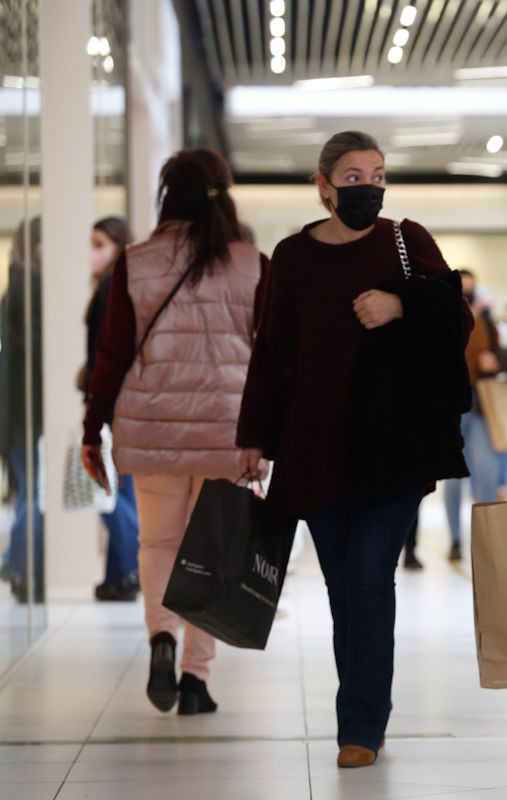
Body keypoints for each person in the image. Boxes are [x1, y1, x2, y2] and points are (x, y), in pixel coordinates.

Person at [237, 131, 472, 769]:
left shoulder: (406, 240)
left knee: (370, 577)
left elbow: (458, 316)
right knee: (345, 587)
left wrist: (401, 304)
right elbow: (272, 350)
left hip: (392, 446)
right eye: (352, 175)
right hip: (314, 445)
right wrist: (254, 436)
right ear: (323, 185)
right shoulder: (291, 255)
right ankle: (365, 713)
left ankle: (360, 726)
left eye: (376, 173)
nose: (367, 185)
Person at [83, 149, 265, 715]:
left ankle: (161, 637)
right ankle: (195, 678)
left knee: (157, 543)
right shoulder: (251, 261)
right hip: (227, 430)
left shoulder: (135, 261)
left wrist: (93, 430)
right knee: (213, 550)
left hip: (151, 425)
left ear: (168, 195)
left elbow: (109, 355)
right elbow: (272, 357)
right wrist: (268, 432)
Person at [82, 216, 141, 602]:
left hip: (113, 405)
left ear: (119, 245)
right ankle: (118, 574)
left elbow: (108, 353)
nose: (92, 251)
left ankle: (133, 564)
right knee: (117, 490)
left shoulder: (112, 289)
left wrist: (95, 403)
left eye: (100, 242)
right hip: (120, 403)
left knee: (111, 494)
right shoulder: (115, 286)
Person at [441, 269, 507, 562]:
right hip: (452, 408)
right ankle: (456, 539)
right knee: (454, 479)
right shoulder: (442, 320)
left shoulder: (487, 322)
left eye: (470, 292)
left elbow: (501, 354)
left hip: (481, 405)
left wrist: (494, 362)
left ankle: (489, 539)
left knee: (487, 474)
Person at [0, 217, 43, 604]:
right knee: (34, 494)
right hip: (29, 415)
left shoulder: (15, 286)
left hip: (16, 414)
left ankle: (16, 563)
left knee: (30, 493)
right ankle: (22, 567)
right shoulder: (31, 288)